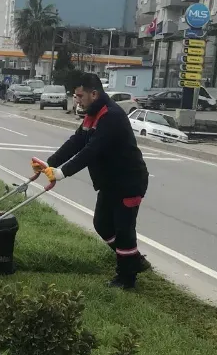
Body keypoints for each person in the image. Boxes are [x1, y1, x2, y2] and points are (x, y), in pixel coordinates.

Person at [33, 71, 151, 290]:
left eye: (80, 96)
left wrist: (62, 173)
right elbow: (77, 141)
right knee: (102, 224)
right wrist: (49, 164)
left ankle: (126, 278)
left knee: (124, 230)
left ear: (93, 94)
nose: (77, 100)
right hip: (109, 182)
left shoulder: (111, 116)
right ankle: (133, 259)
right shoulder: (92, 115)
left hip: (128, 181)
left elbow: (92, 150)